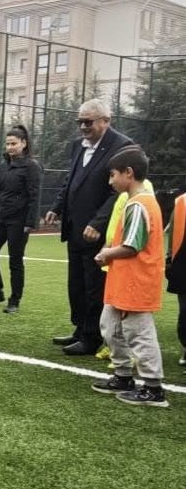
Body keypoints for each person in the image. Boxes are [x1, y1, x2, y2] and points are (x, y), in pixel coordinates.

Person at [43, 99, 133, 357]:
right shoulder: (78, 145)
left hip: (97, 231)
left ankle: (93, 336)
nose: (83, 127)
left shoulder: (122, 146)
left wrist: (98, 222)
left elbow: (120, 192)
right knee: (76, 283)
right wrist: (57, 207)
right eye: (79, 121)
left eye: (88, 122)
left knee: (94, 285)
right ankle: (80, 328)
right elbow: (70, 180)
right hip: (74, 227)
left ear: (106, 120)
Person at [88, 147, 169, 407]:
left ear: (129, 173)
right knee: (109, 325)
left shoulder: (139, 204)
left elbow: (133, 245)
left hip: (136, 281)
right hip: (123, 281)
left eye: (113, 175)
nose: (110, 181)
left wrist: (106, 253)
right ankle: (123, 376)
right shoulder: (138, 202)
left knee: (139, 333)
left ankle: (153, 388)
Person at [0, 125, 41, 313]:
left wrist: (30, 222)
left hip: (19, 221)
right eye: (7, 144)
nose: (10, 147)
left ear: (24, 143)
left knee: (15, 260)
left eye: (13, 143)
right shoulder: (2, 167)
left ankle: (14, 300)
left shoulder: (31, 166)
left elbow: (34, 195)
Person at [168, 188, 186, 369]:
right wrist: (169, 259)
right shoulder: (181, 202)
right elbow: (173, 233)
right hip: (183, 263)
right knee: (185, 311)